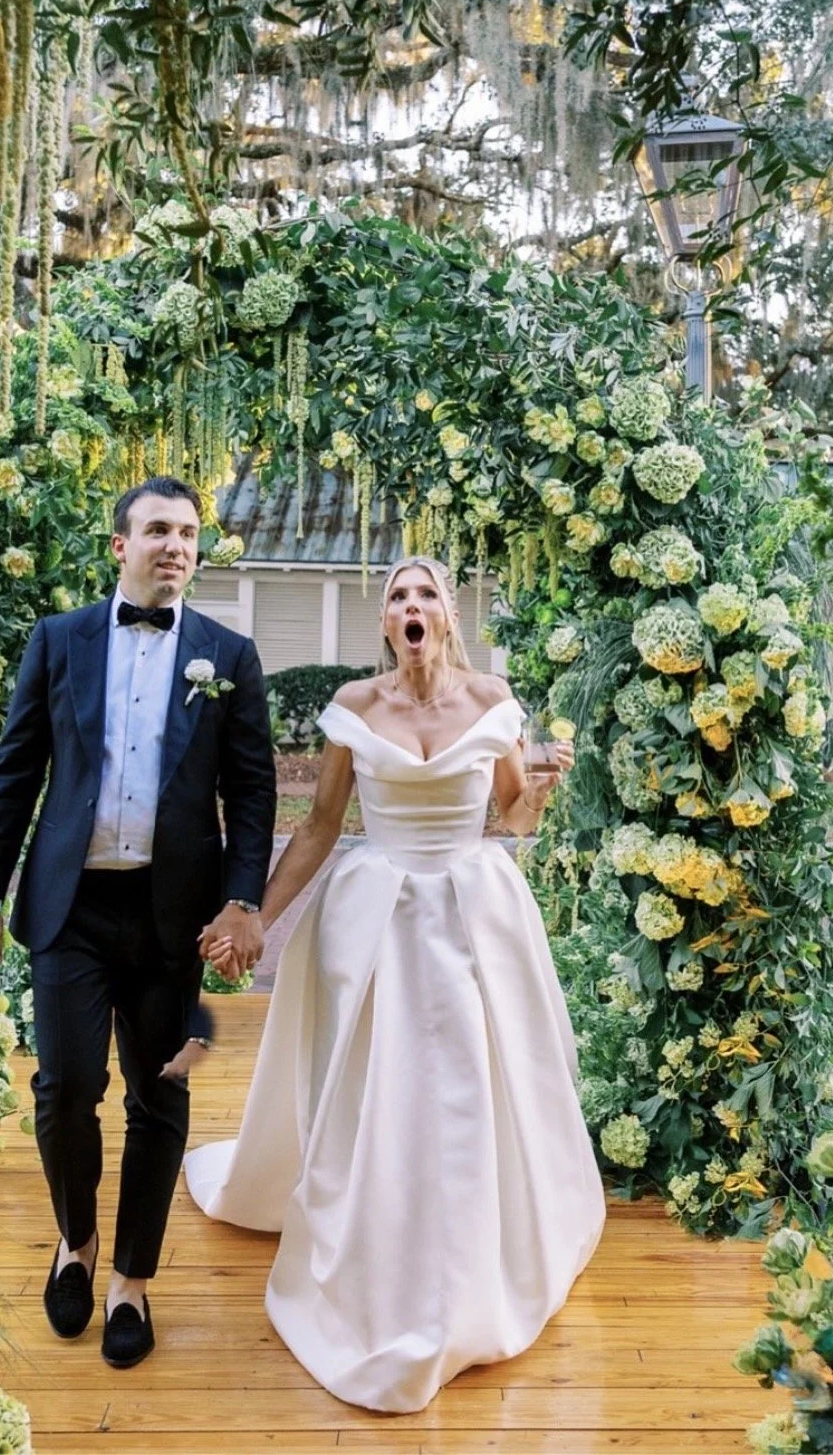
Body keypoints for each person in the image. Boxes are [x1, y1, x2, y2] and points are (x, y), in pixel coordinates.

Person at [186, 555, 606, 1413]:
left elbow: (512, 815)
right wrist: (253, 916)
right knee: (383, 1085)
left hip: (470, 908)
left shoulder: (493, 700)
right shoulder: (353, 709)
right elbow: (319, 828)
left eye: (425, 595)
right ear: (387, 623)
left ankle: (472, 1248)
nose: (410, 606)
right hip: (373, 914)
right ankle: (374, 1230)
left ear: (449, 615)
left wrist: (544, 786)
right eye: (396, 597)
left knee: (468, 1087)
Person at [0, 476, 276, 1369]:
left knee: (160, 1096)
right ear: (120, 546)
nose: (176, 546)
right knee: (63, 1090)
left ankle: (132, 1277)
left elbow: (251, 791)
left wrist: (243, 898)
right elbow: (13, 773)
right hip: (71, 908)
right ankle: (74, 1241)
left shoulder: (230, 655)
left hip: (173, 918)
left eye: (188, 534)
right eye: (158, 531)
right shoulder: (58, 641)